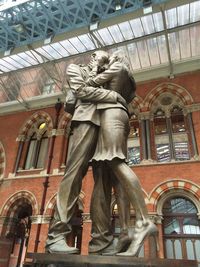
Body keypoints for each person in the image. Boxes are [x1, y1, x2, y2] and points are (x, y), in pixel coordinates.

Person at [45, 51, 129, 254]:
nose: (106, 59)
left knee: (104, 180)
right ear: (93, 56)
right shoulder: (76, 69)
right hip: (86, 120)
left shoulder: (108, 73)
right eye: (102, 56)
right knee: (74, 173)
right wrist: (113, 96)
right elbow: (82, 91)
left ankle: (101, 242)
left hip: (107, 123)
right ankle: (56, 236)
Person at [87, 51, 158, 257]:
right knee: (116, 174)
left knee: (116, 162)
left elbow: (90, 84)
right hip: (122, 115)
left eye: (106, 57)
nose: (103, 59)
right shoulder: (128, 76)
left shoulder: (115, 68)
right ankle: (126, 230)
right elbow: (130, 96)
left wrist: (97, 64)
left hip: (111, 115)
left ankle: (144, 221)